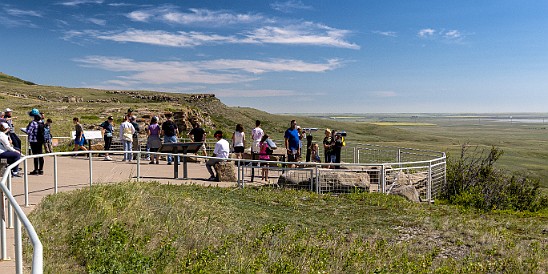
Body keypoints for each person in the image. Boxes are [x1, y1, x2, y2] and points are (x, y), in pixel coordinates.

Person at [27, 109, 45, 175]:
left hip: (34, 141)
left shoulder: (33, 123)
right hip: (40, 140)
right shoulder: (41, 122)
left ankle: (36, 169)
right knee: (40, 154)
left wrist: (27, 128)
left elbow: (29, 131)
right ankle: (41, 169)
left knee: (35, 155)